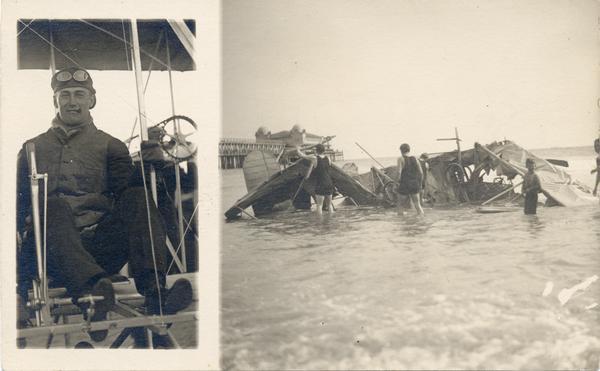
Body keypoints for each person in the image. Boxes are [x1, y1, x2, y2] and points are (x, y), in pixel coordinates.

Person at [16, 67, 192, 341]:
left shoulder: (111, 146)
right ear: (55, 101)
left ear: (91, 100)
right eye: (65, 95)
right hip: (51, 255)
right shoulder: (31, 148)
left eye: (79, 94)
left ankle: (155, 291)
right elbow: (17, 213)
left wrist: (159, 167)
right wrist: (19, 283)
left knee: (137, 197)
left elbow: (131, 198)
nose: (72, 101)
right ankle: (91, 295)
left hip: (100, 249)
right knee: (54, 207)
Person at [295, 144, 335, 215]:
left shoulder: (314, 158)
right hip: (329, 183)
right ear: (324, 150)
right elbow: (328, 167)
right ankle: (331, 221)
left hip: (321, 184)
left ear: (316, 150)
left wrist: (297, 148)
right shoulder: (328, 158)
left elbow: (302, 155)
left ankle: (320, 224)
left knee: (319, 205)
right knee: (329, 205)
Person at [396, 143, 424, 216]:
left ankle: (402, 224)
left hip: (404, 184)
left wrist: (396, 183)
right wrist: (420, 184)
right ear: (409, 150)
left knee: (400, 205)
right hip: (414, 184)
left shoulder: (400, 159)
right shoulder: (415, 159)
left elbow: (399, 173)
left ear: (401, 151)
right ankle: (422, 220)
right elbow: (421, 173)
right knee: (417, 205)